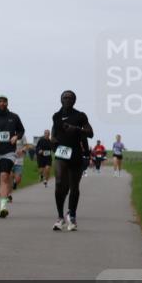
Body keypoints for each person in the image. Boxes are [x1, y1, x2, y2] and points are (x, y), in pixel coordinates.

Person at [51, 90, 93, 231]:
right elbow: (54, 133)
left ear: (74, 100)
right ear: (61, 100)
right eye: (65, 97)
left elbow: (90, 133)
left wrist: (76, 129)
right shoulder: (56, 116)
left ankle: (72, 215)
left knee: (74, 187)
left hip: (75, 153)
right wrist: (54, 142)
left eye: (70, 98)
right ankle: (60, 217)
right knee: (59, 184)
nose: (67, 100)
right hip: (61, 153)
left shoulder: (80, 116)